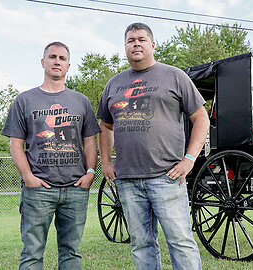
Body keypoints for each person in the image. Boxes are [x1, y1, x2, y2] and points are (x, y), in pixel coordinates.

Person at [97, 22, 209, 270]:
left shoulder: (175, 76)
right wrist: (105, 162)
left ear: (152, 45)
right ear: (125, 47)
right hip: (127, 179)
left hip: (167, 176)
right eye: (130, 40)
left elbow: (201, 117)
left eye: (141, 39)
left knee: (180, 241)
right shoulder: (114, 84)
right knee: (141, 244)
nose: (135, 44)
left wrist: (190, 158)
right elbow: (105, 126)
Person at [2, 41, 100, 269]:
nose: (57, 61)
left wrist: (91, 173)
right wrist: (28, 177)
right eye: (52, 56)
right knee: (32, 253)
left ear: (68, 66)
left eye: (62, 58)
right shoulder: (24, 100)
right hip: (38, 189)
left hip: (76, 189)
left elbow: (89, 142)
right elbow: (15, 144)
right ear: (43, 62)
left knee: (71, 253)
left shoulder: (81, 101)